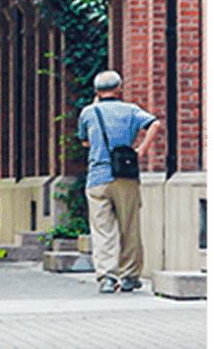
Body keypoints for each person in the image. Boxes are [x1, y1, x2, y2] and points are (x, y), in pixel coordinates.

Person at [77, 70, 160, 294]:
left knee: (103, 229)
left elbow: (85, 142)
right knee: (129, 227)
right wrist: (141, 150)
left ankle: (106, 276)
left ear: (96, 91)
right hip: (125, 176)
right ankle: (129, 277)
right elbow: (155, 124)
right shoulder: (131, 110)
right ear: (119, 88)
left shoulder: (88, 112)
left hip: (97, 178)